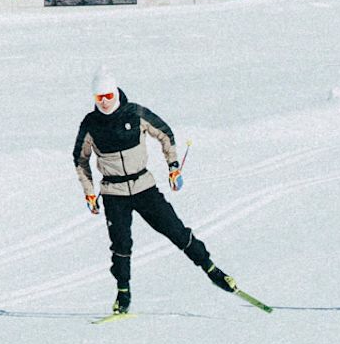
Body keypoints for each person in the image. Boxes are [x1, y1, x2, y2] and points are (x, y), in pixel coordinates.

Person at [75, 69, 263, 316]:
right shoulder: (91, 124)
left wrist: (173, 166)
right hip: (113, 192)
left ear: (116, 93)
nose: (105, 102)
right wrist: (89, 192)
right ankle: (123, 292)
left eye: (108, 96)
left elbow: (164, 134)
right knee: (120, 244)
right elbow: (80, 158)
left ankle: (212, 269)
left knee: (175, 230)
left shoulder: (135, 113)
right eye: (100, 98)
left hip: (143, 187)